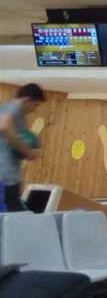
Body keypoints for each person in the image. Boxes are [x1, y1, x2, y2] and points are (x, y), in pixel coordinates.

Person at [0, 83, 45, 212]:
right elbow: (3, 127)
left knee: (16, 216)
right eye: (35, 105)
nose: (34, 109)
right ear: (27, 100)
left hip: (9, 176)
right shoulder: (13, 108)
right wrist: (26, 151)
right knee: (17, 219)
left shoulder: (8, 109)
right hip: (5, 177)